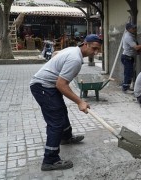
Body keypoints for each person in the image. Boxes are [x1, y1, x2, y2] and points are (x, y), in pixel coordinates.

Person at [30, 34, 102, 171]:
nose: (96, 52)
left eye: (98, 49)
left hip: (48, 85)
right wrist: (80, 102)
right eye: (94, 48)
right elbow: (61, 85)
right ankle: (50, 160)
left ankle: (66, 137)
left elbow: (56, 53)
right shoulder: (75, 59)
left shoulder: (73, 50)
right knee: (55, 122)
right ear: (85, 44)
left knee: (62, 110)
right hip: (43, 87)